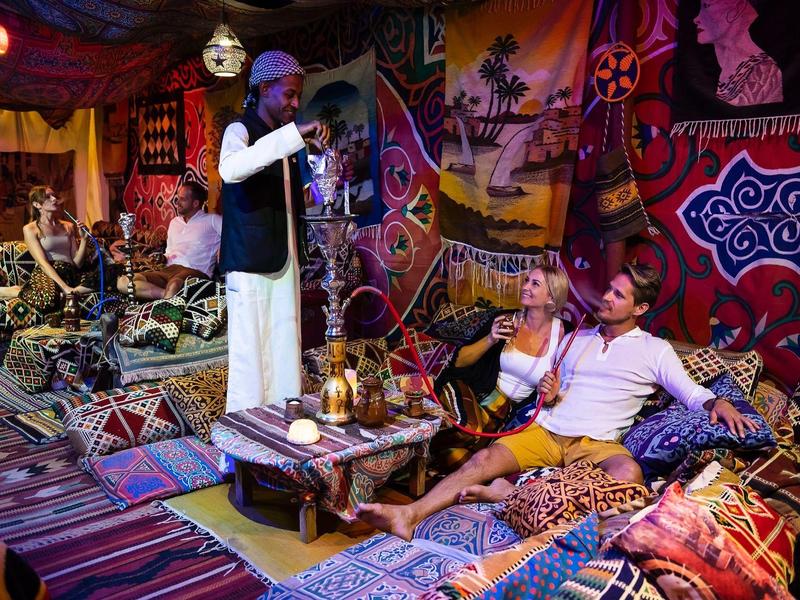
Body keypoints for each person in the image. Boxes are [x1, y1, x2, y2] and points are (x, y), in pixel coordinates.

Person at [356, 263, 758, 541]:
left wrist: (716, 403)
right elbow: (549, 388)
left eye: (618, 295)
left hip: (595, 443)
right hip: (546, 429)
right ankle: (410, 514)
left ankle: (510, 494)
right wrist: (551, 392)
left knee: (629, 474)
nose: (605, 298)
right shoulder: (577, 338)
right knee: (481, 461)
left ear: (640, 308)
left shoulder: (655, 351)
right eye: (608, 289)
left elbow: (689, 392)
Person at [218, 50, 329, 413]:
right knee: (252, 360)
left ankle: (284, 431)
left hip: (285, 262)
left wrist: (322, 187)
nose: (295, 103)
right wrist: (292, 136)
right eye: (289, 94)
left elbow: (286, 199)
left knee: (285, 352)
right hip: (251, 263)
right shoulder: (241, 131)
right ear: (265, 88)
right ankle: (242, 449)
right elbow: (231, 169)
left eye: (298, 96)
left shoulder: (284, 142)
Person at [430, 265, 569, 470]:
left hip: (505, 416)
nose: (525, 286)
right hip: (475, 395)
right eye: (527, 280)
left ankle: (429, 452)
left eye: (535, 283)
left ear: (551, 298)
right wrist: (491, 339)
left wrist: (551, 396)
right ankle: (435, 445)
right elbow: (458, 362)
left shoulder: (566, 334)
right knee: (470, 428)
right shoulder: (505, 319)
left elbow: (565, 384)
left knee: (473, 463)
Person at [117, 181, 221, 300]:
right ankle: (165, 297)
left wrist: (223, 246)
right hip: (169, 269)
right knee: (124, 282)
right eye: (178, 198)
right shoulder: (174, 222)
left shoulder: (212, 220)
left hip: (195, 271)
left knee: (174, 285)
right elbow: (170, 251)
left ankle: (167, 301)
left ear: (195, 203)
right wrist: (163, 257)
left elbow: (232, 233)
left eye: (183, 199)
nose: (177, 202)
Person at [19, 185, 95, 314]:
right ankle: (18, 290)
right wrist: (65, 287)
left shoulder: (69, 226)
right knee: (49, 299)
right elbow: (42, 263)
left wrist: (84, 240)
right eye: (48, 197)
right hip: (48, 272)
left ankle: (34, 289)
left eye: (54, 195)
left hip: (70, 272)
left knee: (106, 280)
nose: (54, 199)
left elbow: (77, 263)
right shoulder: (30, 229)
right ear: (37, 204)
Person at [694, 0, 782, 106]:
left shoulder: (763, 72)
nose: (696, 19)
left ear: (735, 10)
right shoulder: (730, 68)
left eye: (707, 6)